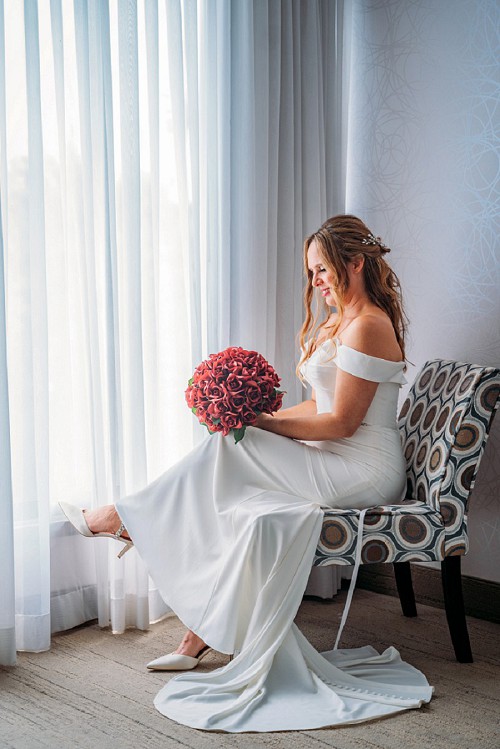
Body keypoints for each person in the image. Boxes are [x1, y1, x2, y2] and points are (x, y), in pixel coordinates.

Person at [59, 215, 432, 732]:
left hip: (364, 469)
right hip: (338, 457)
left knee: (230, 448)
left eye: (323, 269)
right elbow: (316, 405)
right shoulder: (340, 319)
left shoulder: (368, 323)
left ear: (356, 263)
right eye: (311, 272)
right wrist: (262, 419)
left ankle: (121, 518)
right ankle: (195, 628)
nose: (316, 281)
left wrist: (258, 423)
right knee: (241, 485)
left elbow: (343, 424)